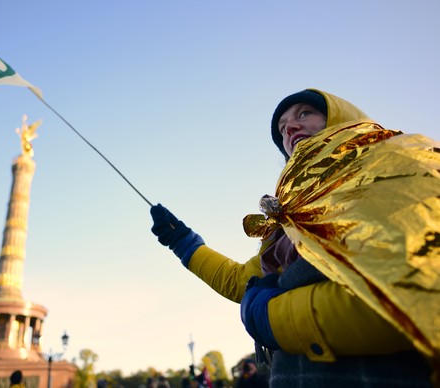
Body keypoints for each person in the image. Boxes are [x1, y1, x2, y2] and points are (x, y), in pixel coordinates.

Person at [150, 89, 438, 387]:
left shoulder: (398, 166)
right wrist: (184, 242)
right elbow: (242, 281)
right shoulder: (291, 216)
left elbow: (415, 295)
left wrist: (271, 320)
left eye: (304, 113)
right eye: (282, 127)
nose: (289, 128)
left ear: (342, 119)